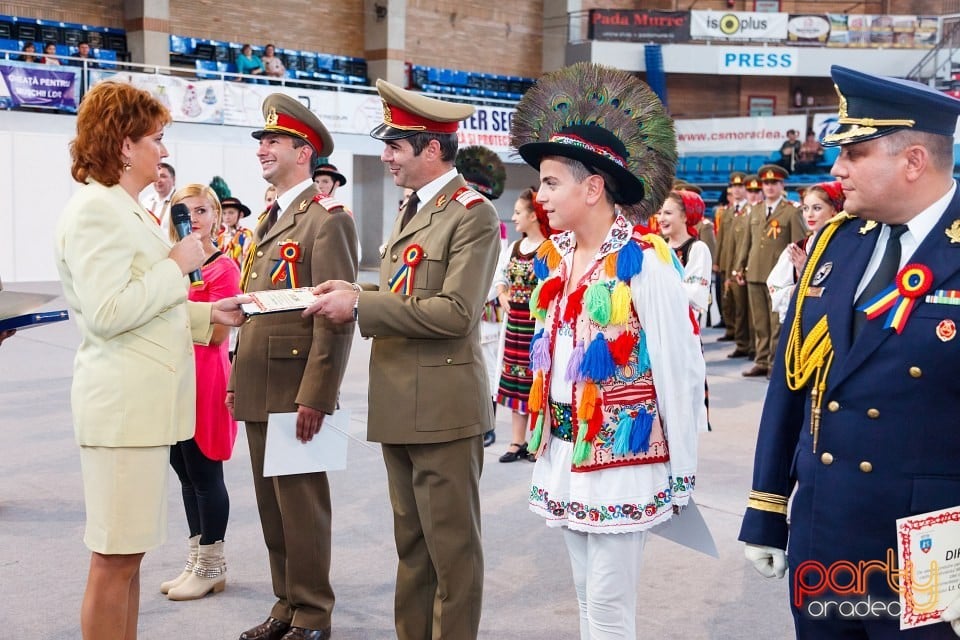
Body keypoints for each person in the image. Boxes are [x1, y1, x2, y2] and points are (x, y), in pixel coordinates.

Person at [742, 64, 960, 639]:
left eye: (855, 153)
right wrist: (767, 507)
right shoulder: (837, 242)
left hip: (930, 547)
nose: (836, 169)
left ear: (913, 160)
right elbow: (792, 382)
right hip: (826, 531)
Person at [512, 61, 707, 639]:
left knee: (608, 607)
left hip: (623, 459)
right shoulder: (559, 259)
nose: (540, 196)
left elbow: (679, 366)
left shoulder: (644, 262)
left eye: (551, 182)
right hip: (567, 451)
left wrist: (683, 472)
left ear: (592, 186)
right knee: (582, 599)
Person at [304, 79, 500, 640]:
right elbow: (410, 289)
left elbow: (455, 312)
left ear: (431, 148)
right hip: (401, 403)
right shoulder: (416, 207)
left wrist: (362, 305)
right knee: (413, 548)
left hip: (442, 408)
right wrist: (359, 286)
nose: (385, 156)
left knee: (452, 552)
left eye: (395, 146)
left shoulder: (471, 214)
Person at [52, 80, 246, 640]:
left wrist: (211, 317)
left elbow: (149, 309)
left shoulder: (124, 208)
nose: (163, 151)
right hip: (122, 414)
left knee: (129, 560)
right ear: (123, 145)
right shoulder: (96, 211)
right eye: (156, 139)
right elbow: (110, 311)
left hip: (138, 412)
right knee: (113, 562)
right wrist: (175, 264)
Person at [229, 93, 358, 640]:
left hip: (298, 385)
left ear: (303, 152)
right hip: (260, 380)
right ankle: (285, 605)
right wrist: (238, 380)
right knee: (271, 506)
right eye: (261, 140)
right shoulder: (272, 216)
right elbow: (256, 309)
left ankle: (312, 614)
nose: (263, 148)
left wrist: (318, 394)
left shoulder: (327, 221)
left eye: (273, 140)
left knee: (302, 507)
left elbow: (335, 315)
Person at [161, 184, 242, 601]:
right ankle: (197, 559)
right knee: (184, 470)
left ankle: (213, 564)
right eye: (182, 212)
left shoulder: (222, 267)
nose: (191, 219)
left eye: (199, 210)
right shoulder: (169, 266)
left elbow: (219, 332)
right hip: (174, 373)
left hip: (206, 375)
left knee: (206, 472)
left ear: (214, 215)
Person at [491, 187, 552, 463]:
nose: (514, 217)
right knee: (516, 381)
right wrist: (503, 292)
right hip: (514, 326)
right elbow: (500, 276)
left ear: (533, 215)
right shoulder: (515, 248)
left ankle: (537, 441)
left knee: (535, 383)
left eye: (518, 212)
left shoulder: (549, 250)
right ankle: (517, 441)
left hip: (536, 329)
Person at [455, 144, 508, 449]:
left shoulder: (494, 225)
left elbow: (495, 268)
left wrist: (478, 292)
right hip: (467, 307)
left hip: (487, 310)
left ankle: (487, 425)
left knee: (489, 368)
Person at [735, 164, 806, 378]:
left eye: (774, 183)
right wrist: (740, 266)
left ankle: (776, 363)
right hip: (755, 272)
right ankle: (762, 360)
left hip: (779, 275)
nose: (769, 187)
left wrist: (796, 271)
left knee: (777, 322)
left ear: (782, 185)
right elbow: (746, 242)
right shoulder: (754, 209)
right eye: (766, 183)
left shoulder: (792, 211)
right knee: (760, 322)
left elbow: (797, 242)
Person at [766, 181, 844, 322]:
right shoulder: (798, 248)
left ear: (834, 211)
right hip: (803, 321)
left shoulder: (846, 246)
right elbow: (775, 287)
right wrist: (795, 288)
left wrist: (807, 271)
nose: (809, 215)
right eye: (805, 208)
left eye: (817, 208)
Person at [658, 189, 713, 325]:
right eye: (660, 213)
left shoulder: (697, 249)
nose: (661, 219)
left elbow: (695, 293)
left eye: (668, 213)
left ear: (685, 217)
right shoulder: (657, 246)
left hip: (682, 325)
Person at [216, 196, 253, 269]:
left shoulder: (246, 235)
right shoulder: (220, 237)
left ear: (241, 214)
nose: (227, 217)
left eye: (231, 213)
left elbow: (247, 260)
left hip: (238, 275)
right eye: (224, 213)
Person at [140, 162, 176, 232]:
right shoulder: (145, 201)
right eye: (156, 176)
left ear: (174, 179)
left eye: (163, 176)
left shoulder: (180, 201)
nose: (158, 180)